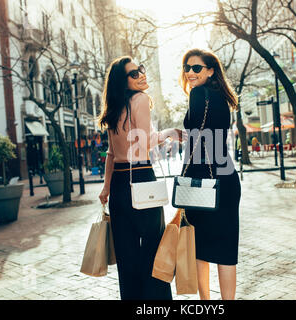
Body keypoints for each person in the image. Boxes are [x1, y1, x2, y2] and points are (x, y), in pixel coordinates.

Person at [97, 56, 183, 300]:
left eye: (141, 70)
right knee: (154, 250)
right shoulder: (141, 99)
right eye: (134, 73)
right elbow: (145, 141)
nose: (141, 75)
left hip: (120, 187)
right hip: (142, 177)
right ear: (122, 81)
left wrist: (106, 188)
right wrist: (168, 133)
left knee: (127, 256)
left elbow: (112, 155)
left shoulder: (114, 109)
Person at [179, 48, 241, 300]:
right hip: (225, 179)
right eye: (187, 68)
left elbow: (197, 138)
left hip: (202, 182)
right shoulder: (219, 97)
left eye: (196, 68)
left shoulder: (198, 94)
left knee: (200, 248)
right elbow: (207, 136)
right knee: (225, 251)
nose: (190, 73)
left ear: (211, 70)